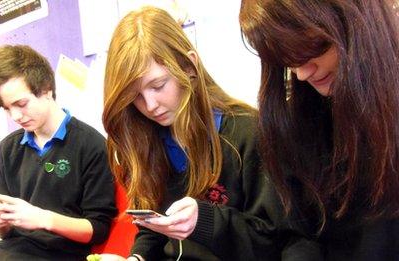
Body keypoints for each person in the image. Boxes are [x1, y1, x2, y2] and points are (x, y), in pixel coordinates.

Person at [98, 6, 317, 261]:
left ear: (190, 66)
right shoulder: (149, 142)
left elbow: (283, 240)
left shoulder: (248, 134)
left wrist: (205, 221)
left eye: (158, 85)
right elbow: (153, 231)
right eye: (134, 96)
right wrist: (138, 258)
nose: (149, 105)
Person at [239, 0, 399, 260]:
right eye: (287, 59)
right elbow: (302, 232)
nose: (302, 73)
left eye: (315, 47)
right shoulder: (300, 121)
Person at [0, 45, 117, 261]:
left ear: (47, 89)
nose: (15, 116)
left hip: (59, 255)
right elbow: (8, 233)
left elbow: (97, 229)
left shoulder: (91, 145)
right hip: (8, 252)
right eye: (7, 108)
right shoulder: (7, 150)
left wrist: (41, 218)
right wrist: (0, 223)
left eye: (21, 104)